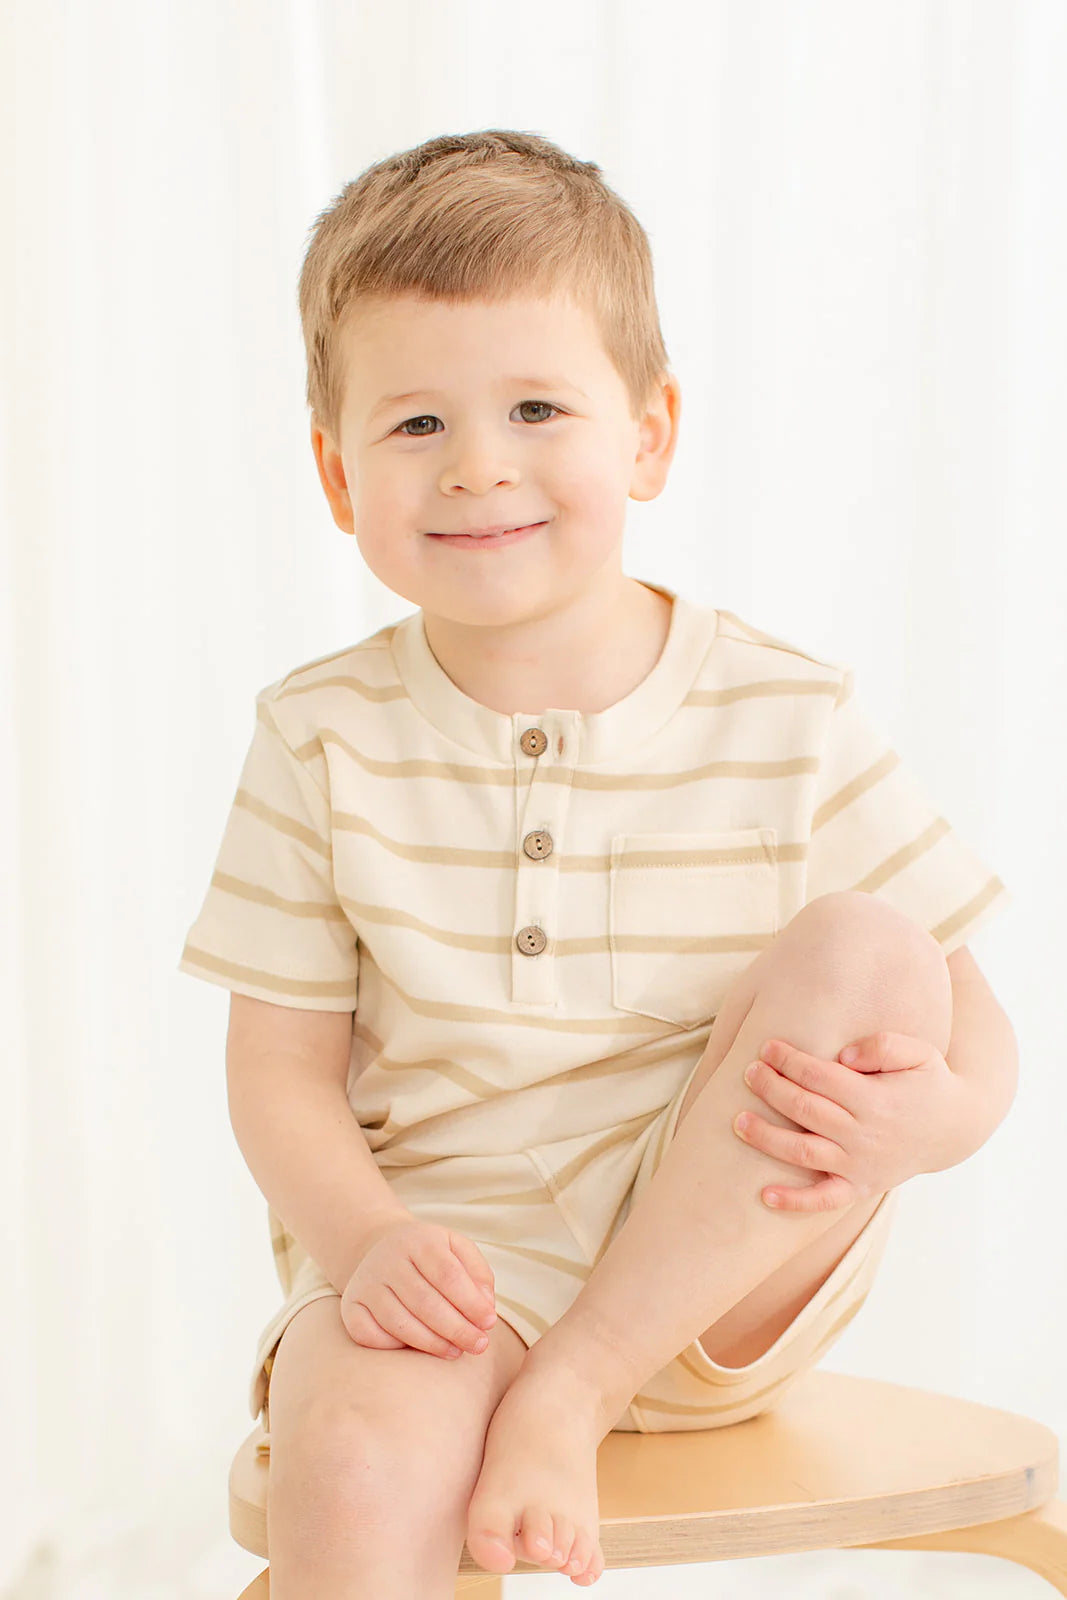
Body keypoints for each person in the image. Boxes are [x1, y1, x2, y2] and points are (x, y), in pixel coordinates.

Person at [178, 129, 1016, 1598]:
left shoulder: (785, 711)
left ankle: (573, 1388)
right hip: (447, 1271)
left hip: (721, 1277)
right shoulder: (319, 737)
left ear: (647, 433)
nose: (480, 466)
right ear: (335, 473)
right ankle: (498, 1386)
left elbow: (971, 1018)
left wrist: (938, 1120)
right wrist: (369, 1244)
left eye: (536, 408)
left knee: (873, 950)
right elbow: (278, 1074)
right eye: (417, 424)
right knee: (354, 1463)